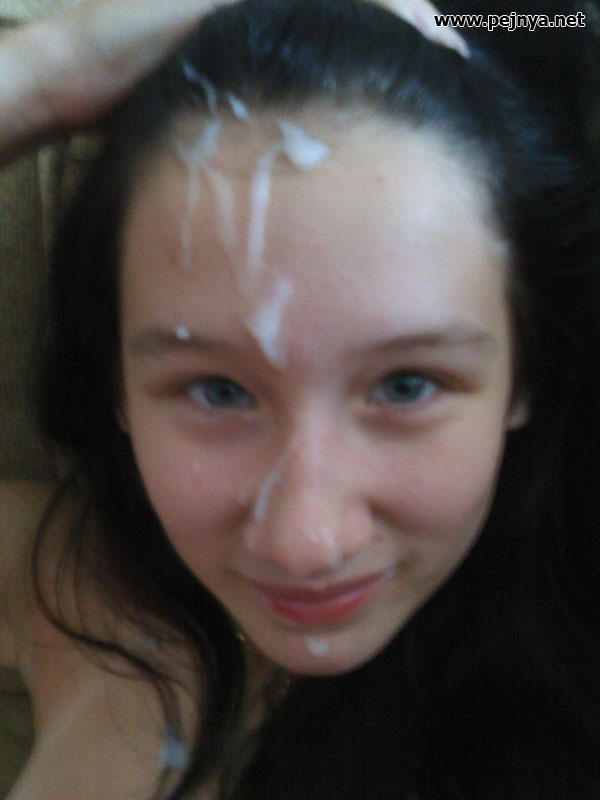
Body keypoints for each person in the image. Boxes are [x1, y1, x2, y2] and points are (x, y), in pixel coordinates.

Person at [1, 0, 599, 799]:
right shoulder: (76, 579)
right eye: (217, 392)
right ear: (118, 386)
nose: (305, 545)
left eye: (407, 385)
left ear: (525, 375)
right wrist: (45, 73)